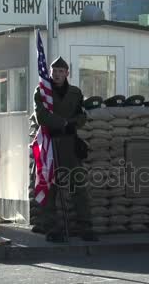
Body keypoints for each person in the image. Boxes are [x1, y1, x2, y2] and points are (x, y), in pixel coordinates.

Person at [33, 56, 98, 242]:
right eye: (54, 71)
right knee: (50, 186)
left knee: (78, 185)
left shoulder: (75, 93)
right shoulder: (42, 91)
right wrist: (63, 123)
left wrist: (73, 125)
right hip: (50, 143)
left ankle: (85, 227)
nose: (57, 75)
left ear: (67, 73)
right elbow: (41, 117)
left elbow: (81, 115)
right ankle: (52, 228)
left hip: (69, 143)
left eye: (61, 71)